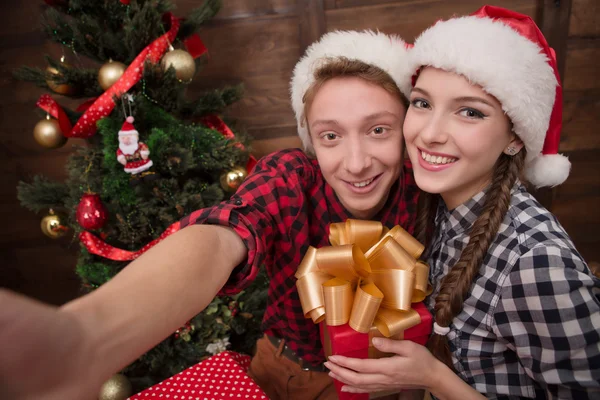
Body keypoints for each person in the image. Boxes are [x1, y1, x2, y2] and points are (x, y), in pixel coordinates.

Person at [0, 30, 417, 400]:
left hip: (392, 379)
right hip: (288, 371)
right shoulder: (292, 178)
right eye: (331, 136)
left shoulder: (425, 186)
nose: (357, 163)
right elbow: (224, 234)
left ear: (408, 129)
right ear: (311, 143)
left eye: (378, 129)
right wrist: (85, 338)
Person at [324, 6, 600, 400]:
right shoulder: (437, 206)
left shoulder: (537, 264)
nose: (430, 134)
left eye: (469, 112)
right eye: (422, 103)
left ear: (515, 137)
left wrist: (434, 377)